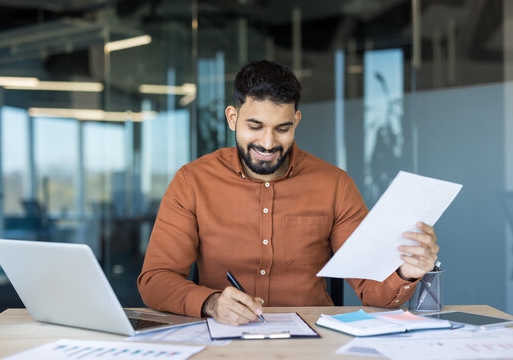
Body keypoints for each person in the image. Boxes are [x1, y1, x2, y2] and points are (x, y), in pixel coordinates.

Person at [137, 60, 439, 326]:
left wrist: (407, 271)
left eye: (282, 129)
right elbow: (155, 280)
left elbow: (374, 292)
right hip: (225, 338)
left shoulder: (334, 185)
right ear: (232, 118)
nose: (268, 143)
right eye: (255, 126)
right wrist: (211, 303)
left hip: (316, 342)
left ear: (296, 121)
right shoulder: (193, 181)